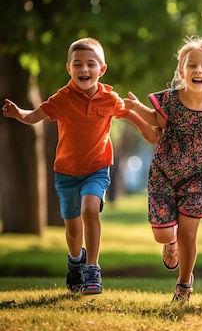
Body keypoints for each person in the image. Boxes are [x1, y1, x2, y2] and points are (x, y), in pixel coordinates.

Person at [2, 37, 159, 295]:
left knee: (90, 209)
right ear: (69, 68)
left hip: (97, 168)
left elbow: (126, 112)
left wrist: (146, 130)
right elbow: (35, 116)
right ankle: (76, 261)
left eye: (90, 64)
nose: (84, 70)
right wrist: (19, 114)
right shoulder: (62, 99)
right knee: (73, 231)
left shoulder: (109, 98)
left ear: (102, 69)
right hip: (65, 172)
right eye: (78, 64)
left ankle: (92, 268)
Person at [123, 36, 202, 302]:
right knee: (164, 234)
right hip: (164, 174)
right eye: (192, 65)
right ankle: (169, 244)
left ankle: (184, 284)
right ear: (181, 71)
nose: (198, 70)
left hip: (200, 179)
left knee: (188, 233)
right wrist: (137, 108)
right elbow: (156, 121)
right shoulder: (170, 101)